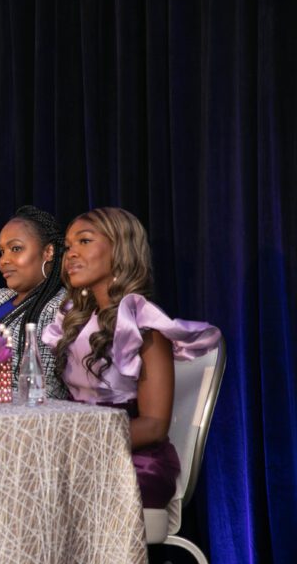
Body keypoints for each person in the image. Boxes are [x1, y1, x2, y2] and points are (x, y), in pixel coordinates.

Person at [42, 207, 219, 509]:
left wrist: (83, 443)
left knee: (50, 492)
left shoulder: (142, 322)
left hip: (135, 461)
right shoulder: (76, 320)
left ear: (120, 249)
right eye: (68, 246)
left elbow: (154, 425)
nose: (70, 254)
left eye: (84, 241)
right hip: (84, 449)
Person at [0, 205, 68, 399]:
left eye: (16, 249)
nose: (3, 261)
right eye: (1, 251)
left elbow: (48, 391)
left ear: (48, 252)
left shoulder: (60, 307)